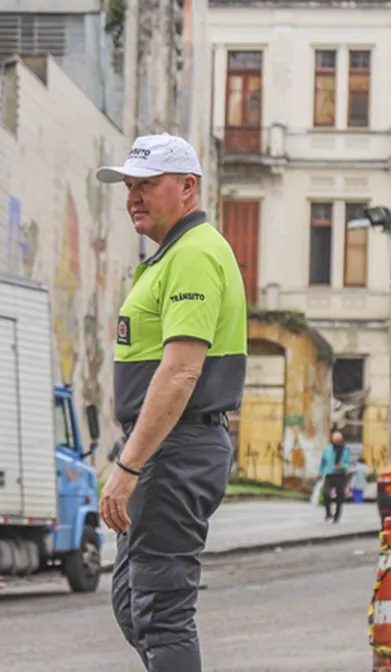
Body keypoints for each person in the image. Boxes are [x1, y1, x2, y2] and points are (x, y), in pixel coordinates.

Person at [95, 133, 248, 672]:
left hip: (176, 446)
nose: (134, 196)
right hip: (165, 446)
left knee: (161, 612)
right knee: (133, 604)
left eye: (147, 185)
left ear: (187, 187)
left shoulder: (195, 254)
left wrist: (129, 465)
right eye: (129, 186)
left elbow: (182, 371)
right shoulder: (170, 257)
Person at [318, 431, 353, 522]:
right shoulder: (328, 449)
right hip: (329, 474)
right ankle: (328, 513)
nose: (337, 442)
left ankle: (337, 515)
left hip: (340, 475)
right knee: (326, 494)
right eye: (335, 440)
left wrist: (343, 466)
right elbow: (323, 461)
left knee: (340, 495)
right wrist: (320, 472)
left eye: (338, 440)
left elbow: (348, 463)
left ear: (341, 440)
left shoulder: (345, 450)